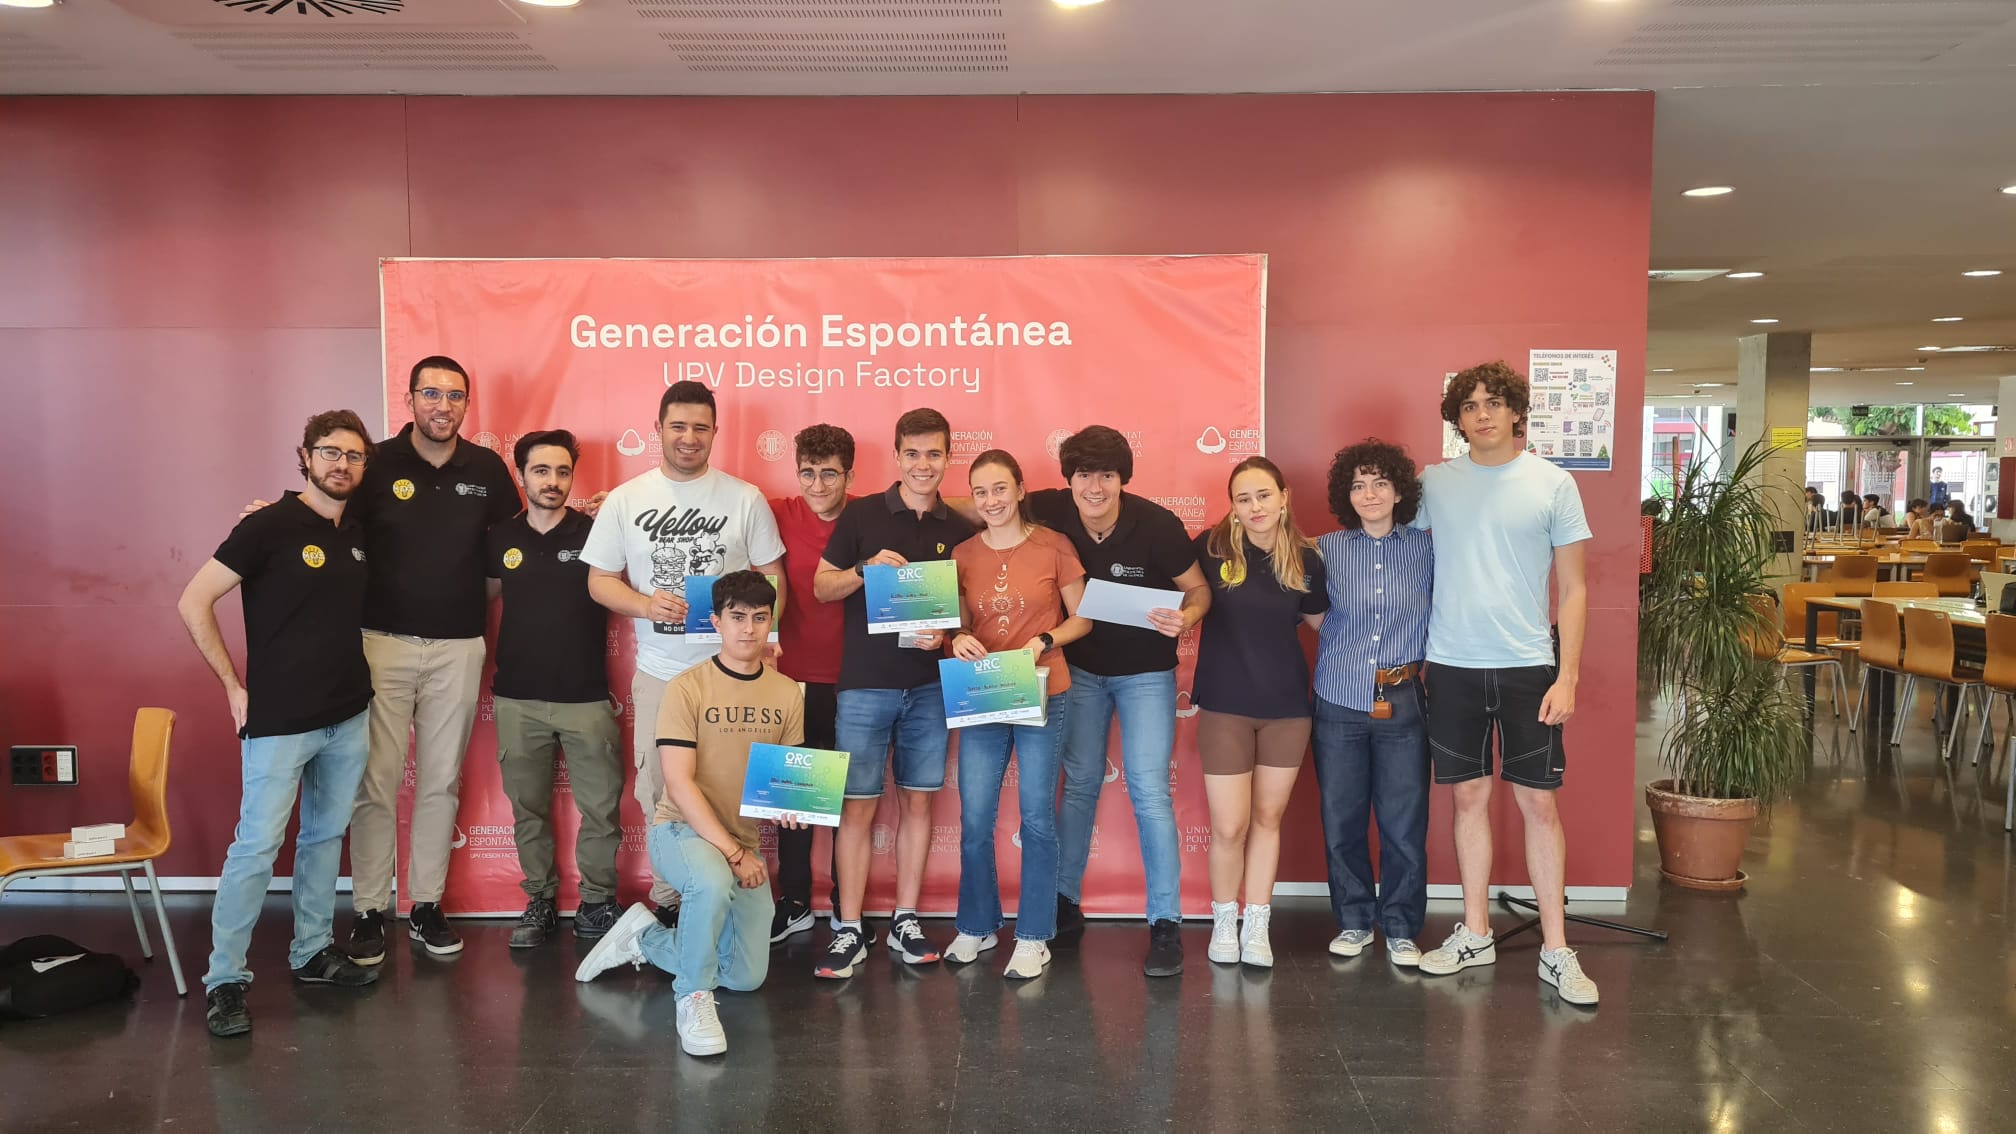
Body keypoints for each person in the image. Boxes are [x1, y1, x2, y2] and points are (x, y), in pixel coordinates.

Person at [177, 410, 381, 1037]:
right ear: (306, 456)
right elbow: (193, 600)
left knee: (323, 839)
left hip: (348, 714)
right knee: (257, 847)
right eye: (330, 452)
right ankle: (225, 980)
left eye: (353, 455)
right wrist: (232, 685)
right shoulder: (265, 526)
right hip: (280, 720)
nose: (341, 464)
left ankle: (312, 951)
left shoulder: (357, 532)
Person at [1415, 360, 1599, 1007]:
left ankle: (1556, 949)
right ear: (1457, 419)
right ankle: (1474, 933)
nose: (1483, 414)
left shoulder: (1553, 483)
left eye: (1494, 402)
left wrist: (1567, 676)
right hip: (1451, 665)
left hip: (1528, 668)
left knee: (1539, 805)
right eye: (1469, 405)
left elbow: (1574, 588)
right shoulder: (1434, 483)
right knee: (1468, 800)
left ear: (1517, 411)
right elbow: (1385, 538)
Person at [573, 572, 805, 1059]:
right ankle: (693, 998)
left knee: (744, 976)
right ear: (716, 622)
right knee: (711, 882)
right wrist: (735, 854)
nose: (748, 629)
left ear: (771, 622)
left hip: (741, 841)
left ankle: (646, 939)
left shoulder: (787, 693)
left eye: (759, 618)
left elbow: (784, 779)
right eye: (737, 617)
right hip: (680, 830)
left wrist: (791, 808)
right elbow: (679, 783)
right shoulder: (686, 688)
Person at [583, 381, 787, 926]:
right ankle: (672, 905)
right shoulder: (626, 499)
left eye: (700, 427)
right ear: (658, 429)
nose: (689, 437)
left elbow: (772, 574)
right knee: (660, 791)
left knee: (733, 786)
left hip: (734, 674)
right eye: (678, 426)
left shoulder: (744, 498)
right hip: (661, 674)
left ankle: (735, 898)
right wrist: (645, 604)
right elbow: (599, 581)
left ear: (716, 432)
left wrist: (766, 639)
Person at [349, 356, 521, 961]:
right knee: (377, 781)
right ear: (410, 399)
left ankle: (425, 904)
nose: (442, 406)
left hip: (458, 647)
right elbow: (330, 522)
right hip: (382, 644)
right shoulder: (374, 463)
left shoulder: (489, 469)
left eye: (454, 396)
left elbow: (512, 551)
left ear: (467, 404)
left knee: (441, 780)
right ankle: (369, 908)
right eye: (431, 394)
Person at [1029, 426, 1213, 977]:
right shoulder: (1051, 509)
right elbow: (986, 500)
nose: (1094, 486)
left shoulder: (1157, 524)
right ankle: (1064, 903)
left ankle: (1165, 923)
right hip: (1081, 672)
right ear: (1069, 479)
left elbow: (1199, 589)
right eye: (1084, 474)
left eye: (1106, 475)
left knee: (1150, 791)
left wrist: (1187, 617)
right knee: (1079, 784)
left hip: (1146, 675)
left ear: (1122, 479)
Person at [811, 408, 976, 976]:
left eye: (933, 454)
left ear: (948, 457)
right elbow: (821, 587)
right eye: (912, 453)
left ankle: (906, 918)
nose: (922, 464)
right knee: (855, 807)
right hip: (864, 685)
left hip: (930, 688)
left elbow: (965, 610)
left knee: (919, 802)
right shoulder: (861, 515)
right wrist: (863, 568)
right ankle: (848, 928)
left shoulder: (960, 528)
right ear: (897, 456)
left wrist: (947, 634)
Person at [943, 449, 1092, 979]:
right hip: (983, 692)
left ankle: (1033, 936)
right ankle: (977, 924)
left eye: (1000, 489)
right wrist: (957, 637)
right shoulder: (962, 553)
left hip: (1043, 690)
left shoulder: (1055, 545)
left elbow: (1084, 618)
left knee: (1036, 817)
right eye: (981, 492)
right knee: (975, 817)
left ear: (1021, 489)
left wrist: (1043, 641)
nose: (991, 501)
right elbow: (957, 622)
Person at [487, 430, 624, 948]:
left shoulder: (597, 531)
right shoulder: (500, 537)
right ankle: (540, 902)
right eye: (541, 470)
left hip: (585, 698)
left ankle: (596, 903)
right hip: (517, 699)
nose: (553, 481)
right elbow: (477, 599)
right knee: (528, 809)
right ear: (521, 475)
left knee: (601, 810)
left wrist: (621, 510)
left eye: (563, 471)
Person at [1192, 457, 1328, 969]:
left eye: (1264, 495)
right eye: (1243, 499)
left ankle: (1257, 925)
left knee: (1268, 820)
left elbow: (1326, 625)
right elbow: (1179, 595)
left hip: (1287, 708)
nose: (1255, 507)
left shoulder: (1308, 559)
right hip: (1224, 705)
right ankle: (1224, 921)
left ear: (1284, 497)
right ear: (1232, 505)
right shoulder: (1211, 548)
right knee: (1230, 826)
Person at [1310, 439, 1433, 968]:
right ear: (1347, 495)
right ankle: (1354, 920)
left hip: (1403, 699)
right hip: (1338, 699)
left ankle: (1401, 926)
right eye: (1358, 485)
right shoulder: (1325, 549)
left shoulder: (1428, 549)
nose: (1370, 494)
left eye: (1380, 483)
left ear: (1399, 491)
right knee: (1342, 819)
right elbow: (1310, 609)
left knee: (1404, 822)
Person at [767, 424, 855, 943]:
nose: (817, 485)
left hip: (855, 683)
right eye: (808, 473)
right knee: (795, 802)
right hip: (791, 680)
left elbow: (940, 504)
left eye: (829, 474)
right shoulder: (776, 512)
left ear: (849, 475)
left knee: (849, 799)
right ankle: (795, 900)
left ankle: (848, 903)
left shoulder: (869, 516)